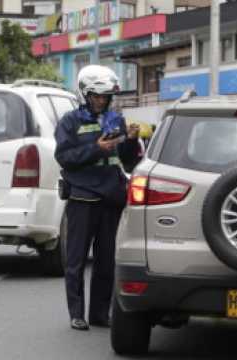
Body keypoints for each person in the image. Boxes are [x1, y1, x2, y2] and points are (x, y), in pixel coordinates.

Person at [54, 65, 141, 330]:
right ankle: (76, 314)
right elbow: (64, 157)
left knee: (106, 261)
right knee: (76, 260)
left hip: (111, 198)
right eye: (96, 96)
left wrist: (131, 141)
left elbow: (127, 162)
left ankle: (100, 314)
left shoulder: (116, 120)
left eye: (105, 97)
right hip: (82, 198)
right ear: (85, 94)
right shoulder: (70, 121)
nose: (101, 101)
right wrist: (96, 149)